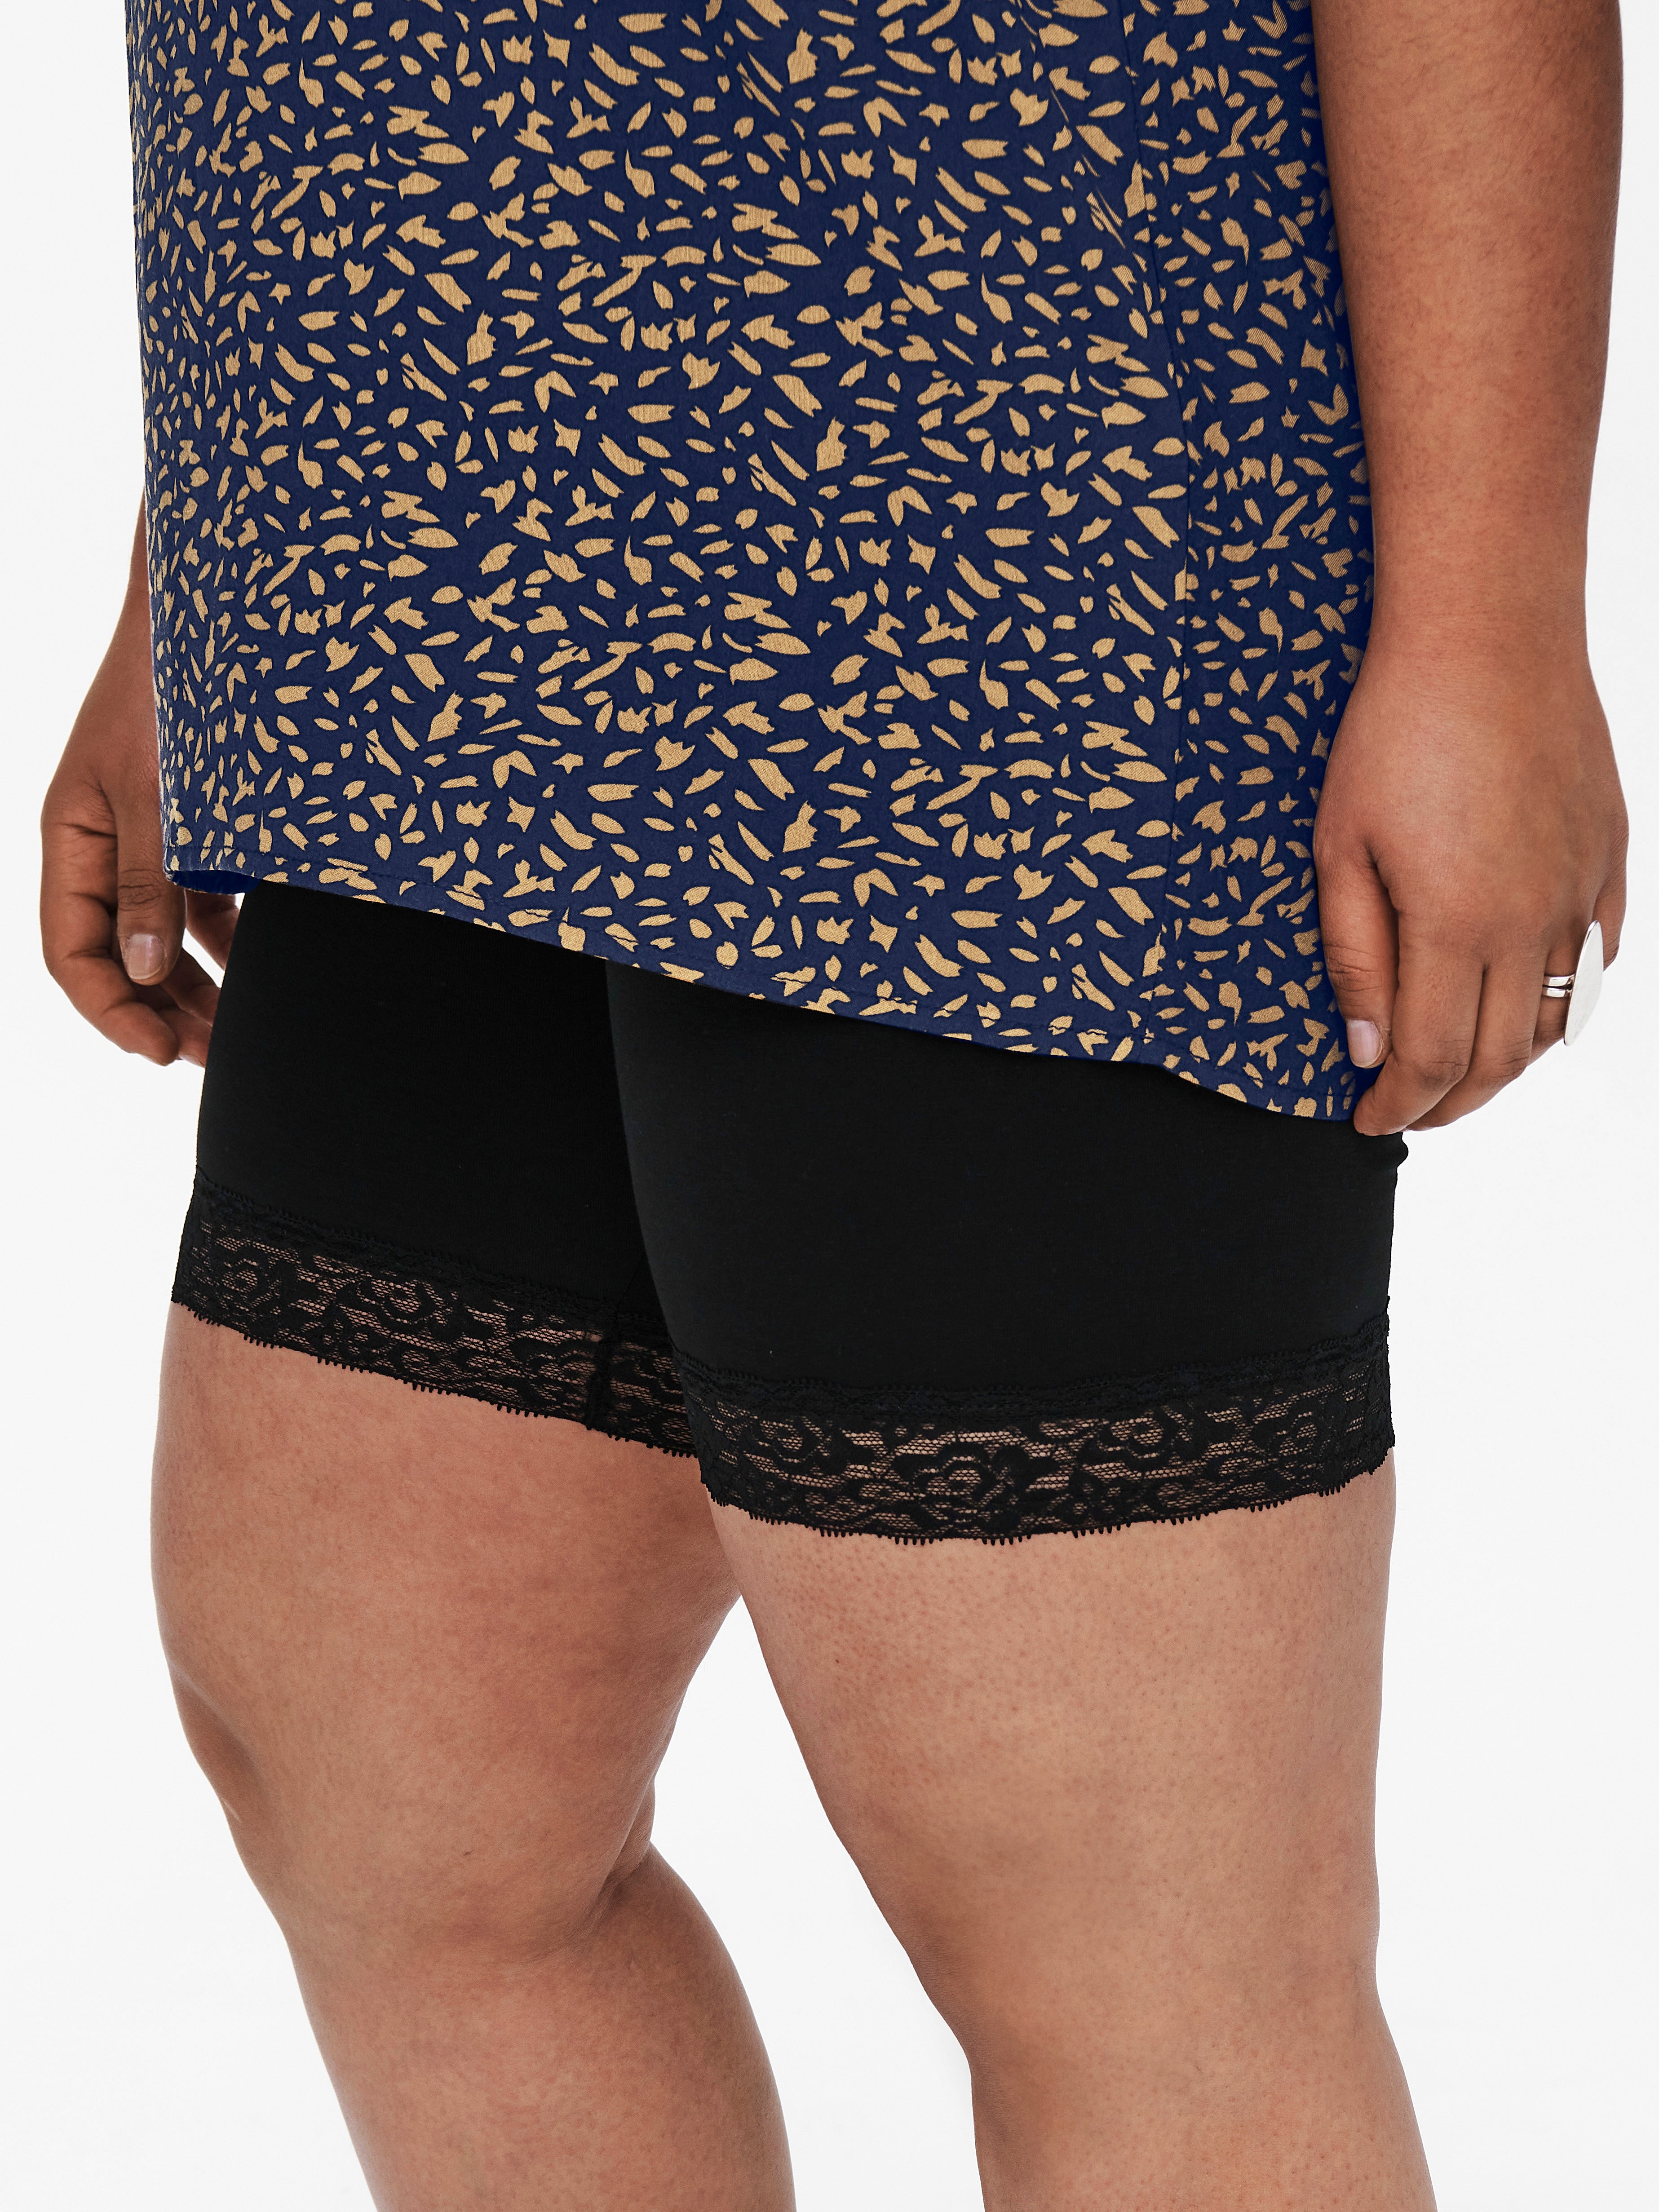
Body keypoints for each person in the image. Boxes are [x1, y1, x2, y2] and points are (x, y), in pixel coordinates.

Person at [40, 0, 1626, 2203]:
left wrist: (1489, 611)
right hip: (396, 501)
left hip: (1003, 533)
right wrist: (199, 577)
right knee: (394, 1796)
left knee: (1137, 1966)